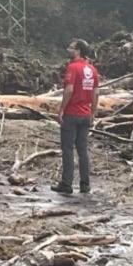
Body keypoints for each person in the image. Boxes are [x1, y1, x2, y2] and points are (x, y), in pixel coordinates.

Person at [51, 39, 100, 195]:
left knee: (68, 149)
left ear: (78, 50)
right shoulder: (92, 69)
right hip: (85, 114)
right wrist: (93, 112)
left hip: (72, 113)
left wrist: (61, 109)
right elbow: (96, 92)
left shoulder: (73, 67)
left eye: (71, 48)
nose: (68, 50)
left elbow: (69, 89)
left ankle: (66, 184)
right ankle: (85, 185)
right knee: (83, 150)